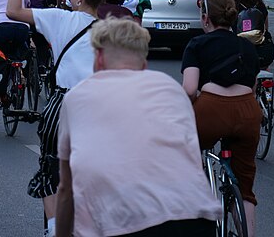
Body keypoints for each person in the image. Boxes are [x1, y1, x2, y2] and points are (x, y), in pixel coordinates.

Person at [56, 18, 219, 237]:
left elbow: (66, 188)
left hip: (120, 222)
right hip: (193, 214)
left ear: (99, 58)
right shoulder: (171, 88)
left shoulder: (76, 97)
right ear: (143, 64)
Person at [6, 0, 112, 237]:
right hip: (99, 106)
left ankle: (54, 228)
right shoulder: (110, 31)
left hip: (64, 105)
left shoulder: (60, 18)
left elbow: (12, 10)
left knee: (51, 165)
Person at [182, 0, 261, 237]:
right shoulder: (247, 46)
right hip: (247, 110)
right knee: (245, 183)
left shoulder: (196, 44)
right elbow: (253, 86)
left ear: (206, 19)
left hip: (212, 110)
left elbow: (190, 89)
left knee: (186, 156)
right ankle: (245, 230)